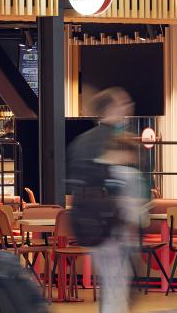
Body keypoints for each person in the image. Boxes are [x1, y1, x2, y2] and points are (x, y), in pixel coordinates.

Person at [67, 88, 141, 313]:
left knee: (109, 282)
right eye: (124, 104)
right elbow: (124, 190)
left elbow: (73, 185)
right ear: (110, 108)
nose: (128, 109)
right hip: (113, 228)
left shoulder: (80, 142)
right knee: (116, 284)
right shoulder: (117, 141)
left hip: (87, 227)